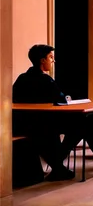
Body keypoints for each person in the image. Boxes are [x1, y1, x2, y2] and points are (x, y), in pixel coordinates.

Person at [12, 44, 80, 181]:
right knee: (78, 128)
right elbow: (61, 100)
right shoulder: (46, 80)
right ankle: (57, 164)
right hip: (43, 124)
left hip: (22, 123)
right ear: (42, 60)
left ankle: (57, 166)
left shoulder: (21, 78)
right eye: (50, 57)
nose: (53, 61)